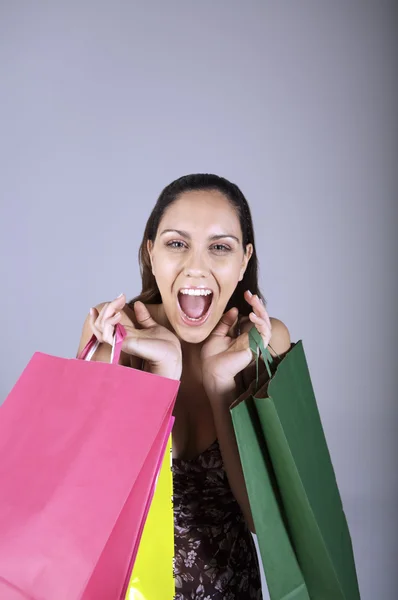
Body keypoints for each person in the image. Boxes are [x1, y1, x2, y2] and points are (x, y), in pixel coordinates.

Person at [77, 173, 291, 600]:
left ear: (244, 259)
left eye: (220, 247)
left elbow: (262, 523)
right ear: (150, 252)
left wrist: (220, 384)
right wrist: (163, 375)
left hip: (232, 587)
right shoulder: (114, 336)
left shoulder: (265, 343)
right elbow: (95, 517)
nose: (196, 265)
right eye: (177, 243)